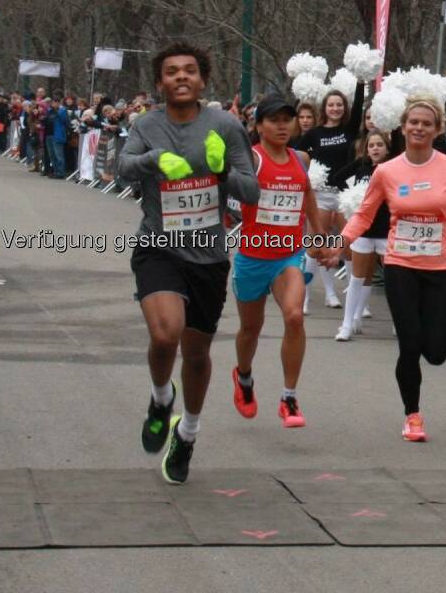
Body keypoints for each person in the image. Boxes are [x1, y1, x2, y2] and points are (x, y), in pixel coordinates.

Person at [117, 41, 258, 484]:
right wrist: (152, 161)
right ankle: (161, 399)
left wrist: (221, 175)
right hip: (158, 246)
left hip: (209, 255)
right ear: (159, 83)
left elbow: (251, 192)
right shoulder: (146, 123)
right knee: (166, 334)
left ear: (202, 80)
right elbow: (121, 168)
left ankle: (188, 433)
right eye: (172, 72)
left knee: (196, 355)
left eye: (190, 71)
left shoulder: (225, 125)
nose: (181, 77)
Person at [327, 96, 446, 442]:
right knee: (410, 344)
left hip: (438, 266)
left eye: (426, 123)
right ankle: (412, 415)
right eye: (412, 122)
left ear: (437, 129)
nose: (418, 128)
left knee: (437, 352)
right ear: (402, 128)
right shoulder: (387, 171)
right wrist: (341, 242)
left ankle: (423, 374)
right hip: (400, 264)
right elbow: (364, 214)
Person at [231, 96, 328, 429]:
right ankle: (243, 377)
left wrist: (320, 235)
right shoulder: (250, 159)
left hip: (288, 255)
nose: (283, 125)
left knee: (295, 316)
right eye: (274, 120)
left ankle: (289, 397)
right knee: (250, 329)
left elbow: (308, 197)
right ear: (259, 126)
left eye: (288, 119)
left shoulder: (301, 158)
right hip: (252, 256)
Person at [295, 82, 366, 308]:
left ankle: (357, 302)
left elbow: (358, 110)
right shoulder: (314, 134)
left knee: (348, 247)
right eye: (331, 105)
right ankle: (307, 295)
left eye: (339, 105)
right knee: (316, 245)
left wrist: (361, 82)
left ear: (344, 108)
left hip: (345, 194)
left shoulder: (349, 130)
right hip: (322, 194)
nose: (335, 108)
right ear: (324, 108)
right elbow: (296, 153)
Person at [329, 129, 395, 341]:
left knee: (395, 280)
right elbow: (335, 178)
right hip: (364, 232)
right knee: (357, 279)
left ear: (387, 148)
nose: (375, 149)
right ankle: (348, 324)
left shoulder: (394, 168)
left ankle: (399, 323)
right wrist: (351, 197)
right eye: (371, 145)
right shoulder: (362, 166)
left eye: (379, 145)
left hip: (387, 231)